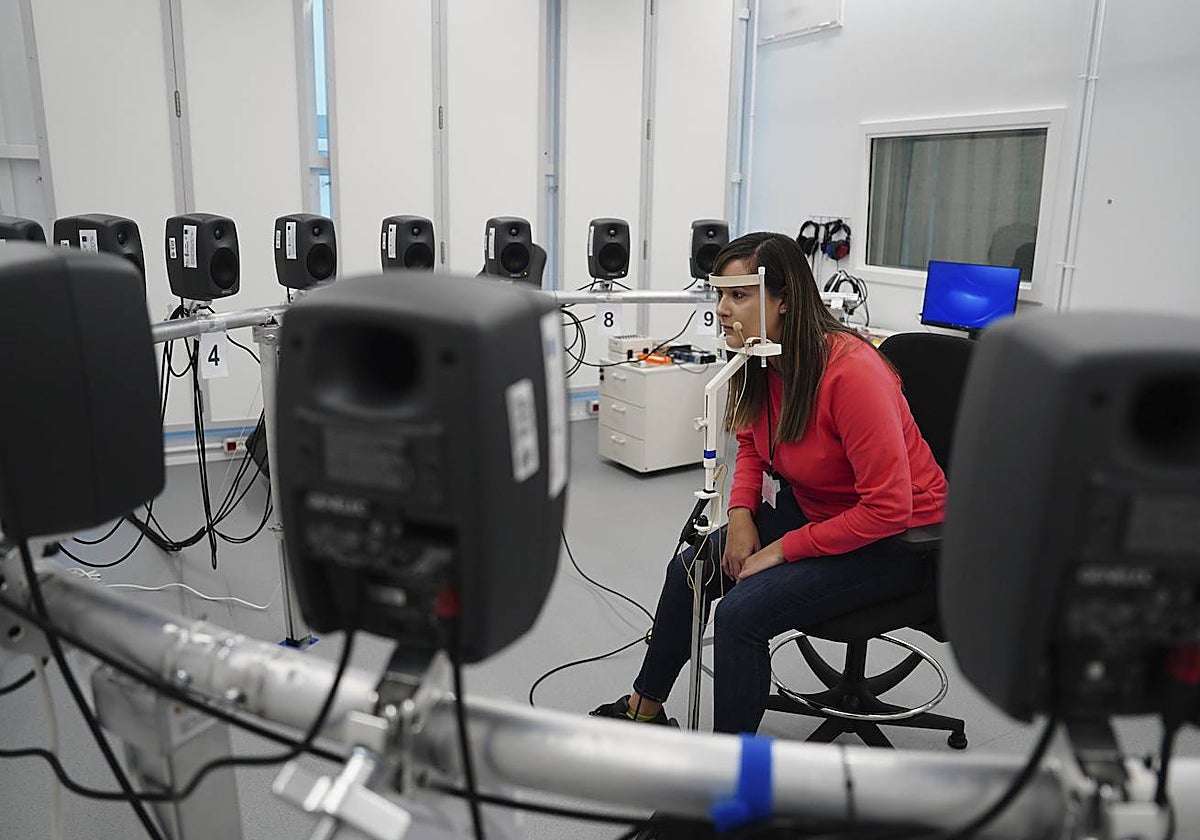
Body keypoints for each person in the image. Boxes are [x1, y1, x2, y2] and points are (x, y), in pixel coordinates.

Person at [590, 231, 948, 734]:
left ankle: (731, 782)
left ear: (784, 300)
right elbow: (754, 445)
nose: (721, 308)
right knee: (691, 569)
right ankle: (643, 710)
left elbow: (887, 509)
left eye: (739, 295)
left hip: (896, 539)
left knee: (740, 615)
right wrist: (739, 516)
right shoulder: (762, 359)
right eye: (719, 294)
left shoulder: (853, 375)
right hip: (820, 508)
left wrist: (781, 550)